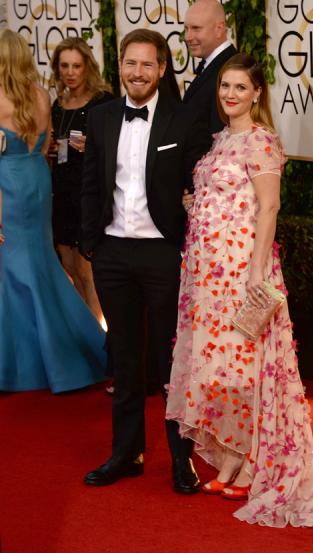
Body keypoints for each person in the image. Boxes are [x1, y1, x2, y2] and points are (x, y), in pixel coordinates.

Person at [166, 54, 313, 527]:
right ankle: (232, 452)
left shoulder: (260, 140)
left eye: (240, 87)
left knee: (242, 364)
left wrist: (256, 270)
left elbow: (269, 207)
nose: (230, 95)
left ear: (258, 92)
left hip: (240, 272)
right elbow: (226, 196)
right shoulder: (221, 140)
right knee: (217, 364)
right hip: (207, 274)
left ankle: (245, 456)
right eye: (225, 87)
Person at [80, 29, 211, 492]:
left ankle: (181, 459)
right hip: (113, 251)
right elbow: (92, 184)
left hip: (162, 251)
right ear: (121, 66)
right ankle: (126, 453)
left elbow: (203, 184)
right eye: (130, 64)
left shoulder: (185, 119)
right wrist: (91, 243)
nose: (137, 72)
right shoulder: (100, 118)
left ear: (162, 68)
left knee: (170, 362)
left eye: (146, 64)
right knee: (125, 360)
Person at [0, 29, 106, 393]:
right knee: (40, 263)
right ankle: (74, 347)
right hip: (37, 181)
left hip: (8, 186)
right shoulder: (43, 97)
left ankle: (23, 362)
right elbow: (46, 147)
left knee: (13, 268)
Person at [50, 37, 114, 324]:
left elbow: (122, 150)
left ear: (87, 66)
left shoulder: (104, 102)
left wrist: (94, 146)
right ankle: (85, 335)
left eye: (76, 65)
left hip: (90, 193)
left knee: (87, 271)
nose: (70, 72)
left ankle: (101, 337)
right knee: (69, 267)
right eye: (64, 66)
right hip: (61, 192)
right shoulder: (58, 104)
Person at [183, 0, 237, 135]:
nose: (188, 37)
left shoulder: (231, 70)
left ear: (219, 29)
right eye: (186, 29)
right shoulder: (215, 64)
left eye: (196, 28)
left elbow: (220, 136)